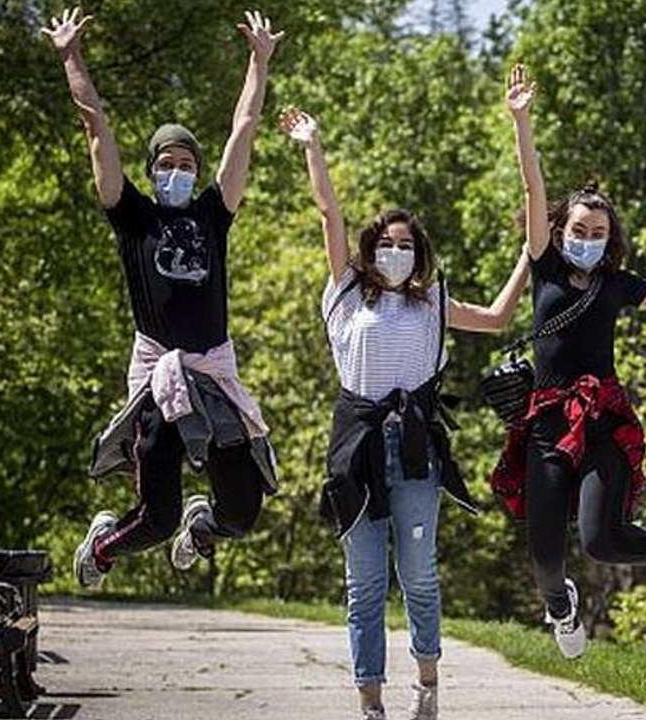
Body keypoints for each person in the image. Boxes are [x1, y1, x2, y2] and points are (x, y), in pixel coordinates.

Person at [278, 107, 530, 720]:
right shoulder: (344, 292)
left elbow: (496, 317)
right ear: (371, 250)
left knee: (418, 576)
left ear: (419, 255)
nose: (395, 252)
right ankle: (369, 700)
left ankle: (428, 684)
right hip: (357, 450)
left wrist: (530, 253)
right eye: (386, 244)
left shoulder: (434, 302)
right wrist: (312, 145)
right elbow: (328, 214)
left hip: (416, 453)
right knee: (364, 585)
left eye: (406, 245)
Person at [491, 64, 646, 659]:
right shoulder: (545, 264)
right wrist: (522, 121)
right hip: (547, 424)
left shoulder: (616, 283)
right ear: (560, 230)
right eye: (579, 227)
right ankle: (561, 607)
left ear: (609, 237)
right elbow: (532, 188)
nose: (588, 236)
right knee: (547, 557)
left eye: (598, 230)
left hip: (603, 421)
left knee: (602, 540)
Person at [43, 7, 285, 588]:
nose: (176, 171)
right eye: (166, 164)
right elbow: (95, 128)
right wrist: (70, 56)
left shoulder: (212, 214)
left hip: (214, 373)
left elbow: (244, 128)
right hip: (160, 379)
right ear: (152, 172)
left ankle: (203, 531)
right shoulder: (134, 218)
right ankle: (102, 547)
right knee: (157, 517)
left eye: (185, 164)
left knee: (242, 511)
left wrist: (260, 61)